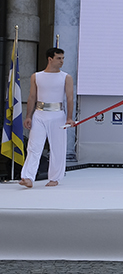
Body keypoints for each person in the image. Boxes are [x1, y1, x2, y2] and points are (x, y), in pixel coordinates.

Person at [20, 47, 75, 188]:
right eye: (59, 58)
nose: (62, 61)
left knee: (57, 148)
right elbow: (32, 97)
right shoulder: (36, 76)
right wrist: (28, 116)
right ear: (50, 59)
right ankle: (28, 177)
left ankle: (55, 178)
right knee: (34, 146)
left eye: (63, 58)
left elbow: (69, 98)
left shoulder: (66, 77)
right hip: (39, 114)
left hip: (58, 115)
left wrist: (69, 118)